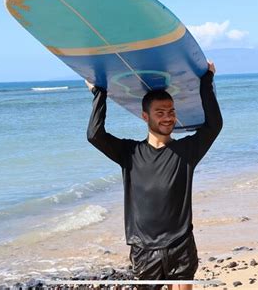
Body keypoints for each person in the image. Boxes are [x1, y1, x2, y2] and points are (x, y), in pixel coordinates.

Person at [85, 61, 223, 290]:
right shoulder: (129, 153)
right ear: (145, 116)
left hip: (180, 244)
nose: (167, 117)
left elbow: (214, 125)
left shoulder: (186, 152)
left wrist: (205, 80)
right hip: (144, 248)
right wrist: (99, 93)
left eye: (171, 112)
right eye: (160, 113)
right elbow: (94, 135)